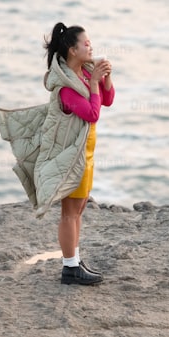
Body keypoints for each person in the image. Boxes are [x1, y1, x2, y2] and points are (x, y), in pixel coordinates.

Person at [41, 22, 115, 286]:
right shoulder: (66, 87)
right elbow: (92, 113)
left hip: (87, 151)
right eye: (86, 44)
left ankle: (75, 259)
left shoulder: (84, 73)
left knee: (80, 207)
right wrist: (94, 81)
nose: (91, 47)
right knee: (70, 212)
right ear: (72, 50)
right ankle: (69, 268)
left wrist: (104, 78)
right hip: (72, 154)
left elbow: (107, 100)